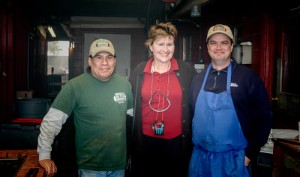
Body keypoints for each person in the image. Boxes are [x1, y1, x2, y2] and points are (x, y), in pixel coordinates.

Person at [37, 38, 133, 177]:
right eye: (98, 57)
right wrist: (44, 154)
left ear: (115, 60)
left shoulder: (125, 85)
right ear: (90, 61)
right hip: (90, 168)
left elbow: (136, 120)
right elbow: (51, 121)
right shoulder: (75, 86)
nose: (104, 62)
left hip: (119, 166)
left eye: (109, 57)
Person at [188, 24, 272, 177]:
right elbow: (190, 115)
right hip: (200, 160)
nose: (218, 47)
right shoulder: (197, 79)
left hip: (234, 161)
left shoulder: (247, 77)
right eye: (213, 42)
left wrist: (250, 154)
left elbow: (264, 118)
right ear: (207, 47)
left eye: (224, 42)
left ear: (232, 46)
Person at [128, 22, 196, 177]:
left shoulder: (186, 70)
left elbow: (195, 106)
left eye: (169, 44)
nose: (165, 50)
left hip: (177, 143)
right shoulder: (139, 70)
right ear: (151, 46)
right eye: (160, 44)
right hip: (145, 142)